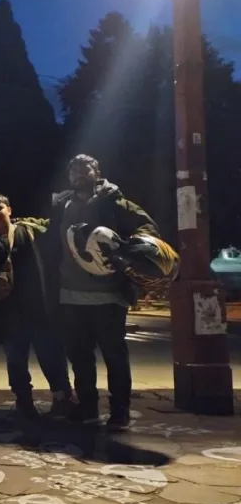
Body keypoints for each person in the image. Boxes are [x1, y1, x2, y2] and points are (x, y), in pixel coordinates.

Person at [46, 154, 159, 431]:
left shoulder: (114, 201)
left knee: (114, 356)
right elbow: (48, 235)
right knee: (79, 355)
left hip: (109, 293)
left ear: (97, 172)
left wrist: (127, 250)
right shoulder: (63, 204)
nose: (79, 175)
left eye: (85, 170)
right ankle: (87, 407)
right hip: (70, 292)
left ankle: (119, 411)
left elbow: (147, 227)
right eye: (74, 171)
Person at [0, 193, 74, 419]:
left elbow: (58, 233)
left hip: (40, 309)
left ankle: (62, 398)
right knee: (16, 361)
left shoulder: (29, 231)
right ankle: (23, 401)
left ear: (9, 209)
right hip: (9, 314)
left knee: (51, 357)